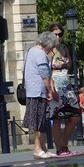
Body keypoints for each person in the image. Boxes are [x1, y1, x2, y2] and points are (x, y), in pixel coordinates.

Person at [23, 31, 60, 159]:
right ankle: (37, 149)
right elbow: (45, 75)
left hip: (32, 90)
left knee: (40, 120)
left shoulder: (30, 51)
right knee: (38, 121)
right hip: (38, 91)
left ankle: (43, 148)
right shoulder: (40, 54)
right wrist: (50, 91)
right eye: (52, 45)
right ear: (48, 43)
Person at [47, 22, 81, 155]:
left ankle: (64, 143)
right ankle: (59, 148)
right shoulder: (48, 50)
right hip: (55, 85)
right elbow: (45, 70)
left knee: (75, 116)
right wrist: (51, 89)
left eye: (60, 34)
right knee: (57, 118)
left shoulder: (64, 47)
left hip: (66, 85)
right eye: (55, 34)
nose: (58, 37)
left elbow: (70, 64)